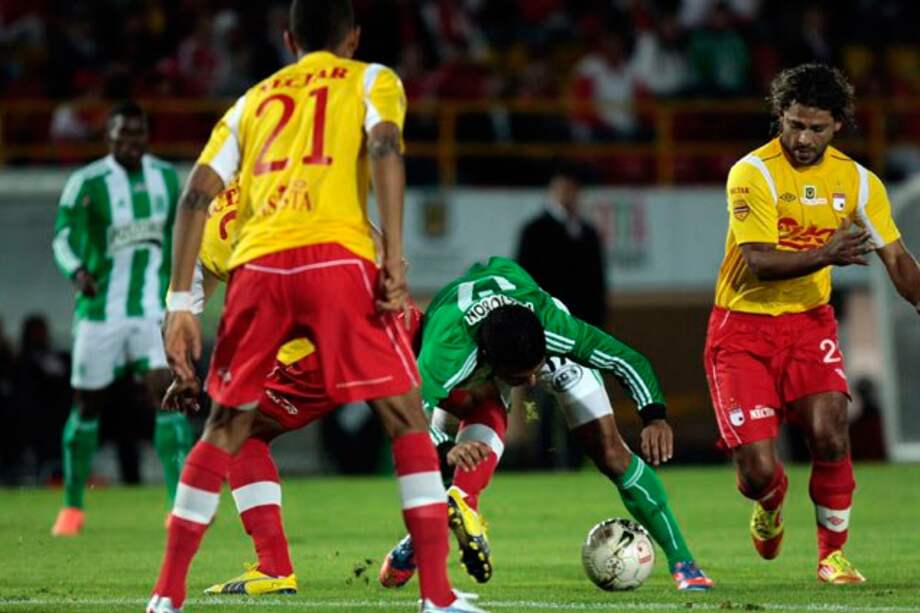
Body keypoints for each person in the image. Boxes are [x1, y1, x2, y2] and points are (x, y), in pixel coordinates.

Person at [147, 2, 484, 612]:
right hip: (336, 264)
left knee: (227, 429)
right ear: (353, 38)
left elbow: (194, 195)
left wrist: (177, 309)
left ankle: (165, 598)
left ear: (287, 39)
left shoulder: (253, 105)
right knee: (407, 420)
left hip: (262, 269)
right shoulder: (372, 80)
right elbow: (384, 148)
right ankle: (436, 596)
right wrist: (396, 262)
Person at [703, 63, 920, 584]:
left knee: (830, 435)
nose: (802, 138)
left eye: (815, 128)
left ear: (838, 125)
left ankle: (833, 555)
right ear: (780, 117)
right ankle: (771, 501)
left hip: (808, 326)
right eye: (793, 124)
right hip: (742, 330)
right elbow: (758, 260)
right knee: (756, 473)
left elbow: (898, 260)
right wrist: (827, 252)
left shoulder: (858, 183)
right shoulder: (752, 172)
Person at [378, 256, 714, 592]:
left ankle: (683, 560)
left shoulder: (553, 325)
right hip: (468, 343)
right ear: (490, 362)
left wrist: (653, 415)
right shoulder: (446, 352)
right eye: (521, 378)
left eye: (534, 371)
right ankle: (448, 515)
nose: (534, 381)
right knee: (462, 429)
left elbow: (625, 359)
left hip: (528, 335)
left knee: (609, 452)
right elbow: (409, 415)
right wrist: (447, 448)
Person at [49, 102, 192, 536]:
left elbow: (178, 239)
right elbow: (62, 236)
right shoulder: (86, 183)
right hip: (99, 313)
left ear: (147, 136)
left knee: (166, 398)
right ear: (108, 138)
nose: (130, 143)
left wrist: (180, 294)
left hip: (151, 308)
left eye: (138, 135)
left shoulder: (166, 178)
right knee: (87, 408)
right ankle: (72, 508)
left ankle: (178, 508)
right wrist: (76, 271)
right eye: (121, 136)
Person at [516, 163, 607, 469]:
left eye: (574, 188)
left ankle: (574, 463)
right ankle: (543, 463)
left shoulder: (589, 234)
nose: (570, 194)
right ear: (553, 190)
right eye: (564, 187)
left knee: (580, 403)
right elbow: (524, 288)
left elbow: (598, 289)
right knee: (543, 404)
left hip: (579, 335)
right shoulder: (534, 232)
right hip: (545, 334)